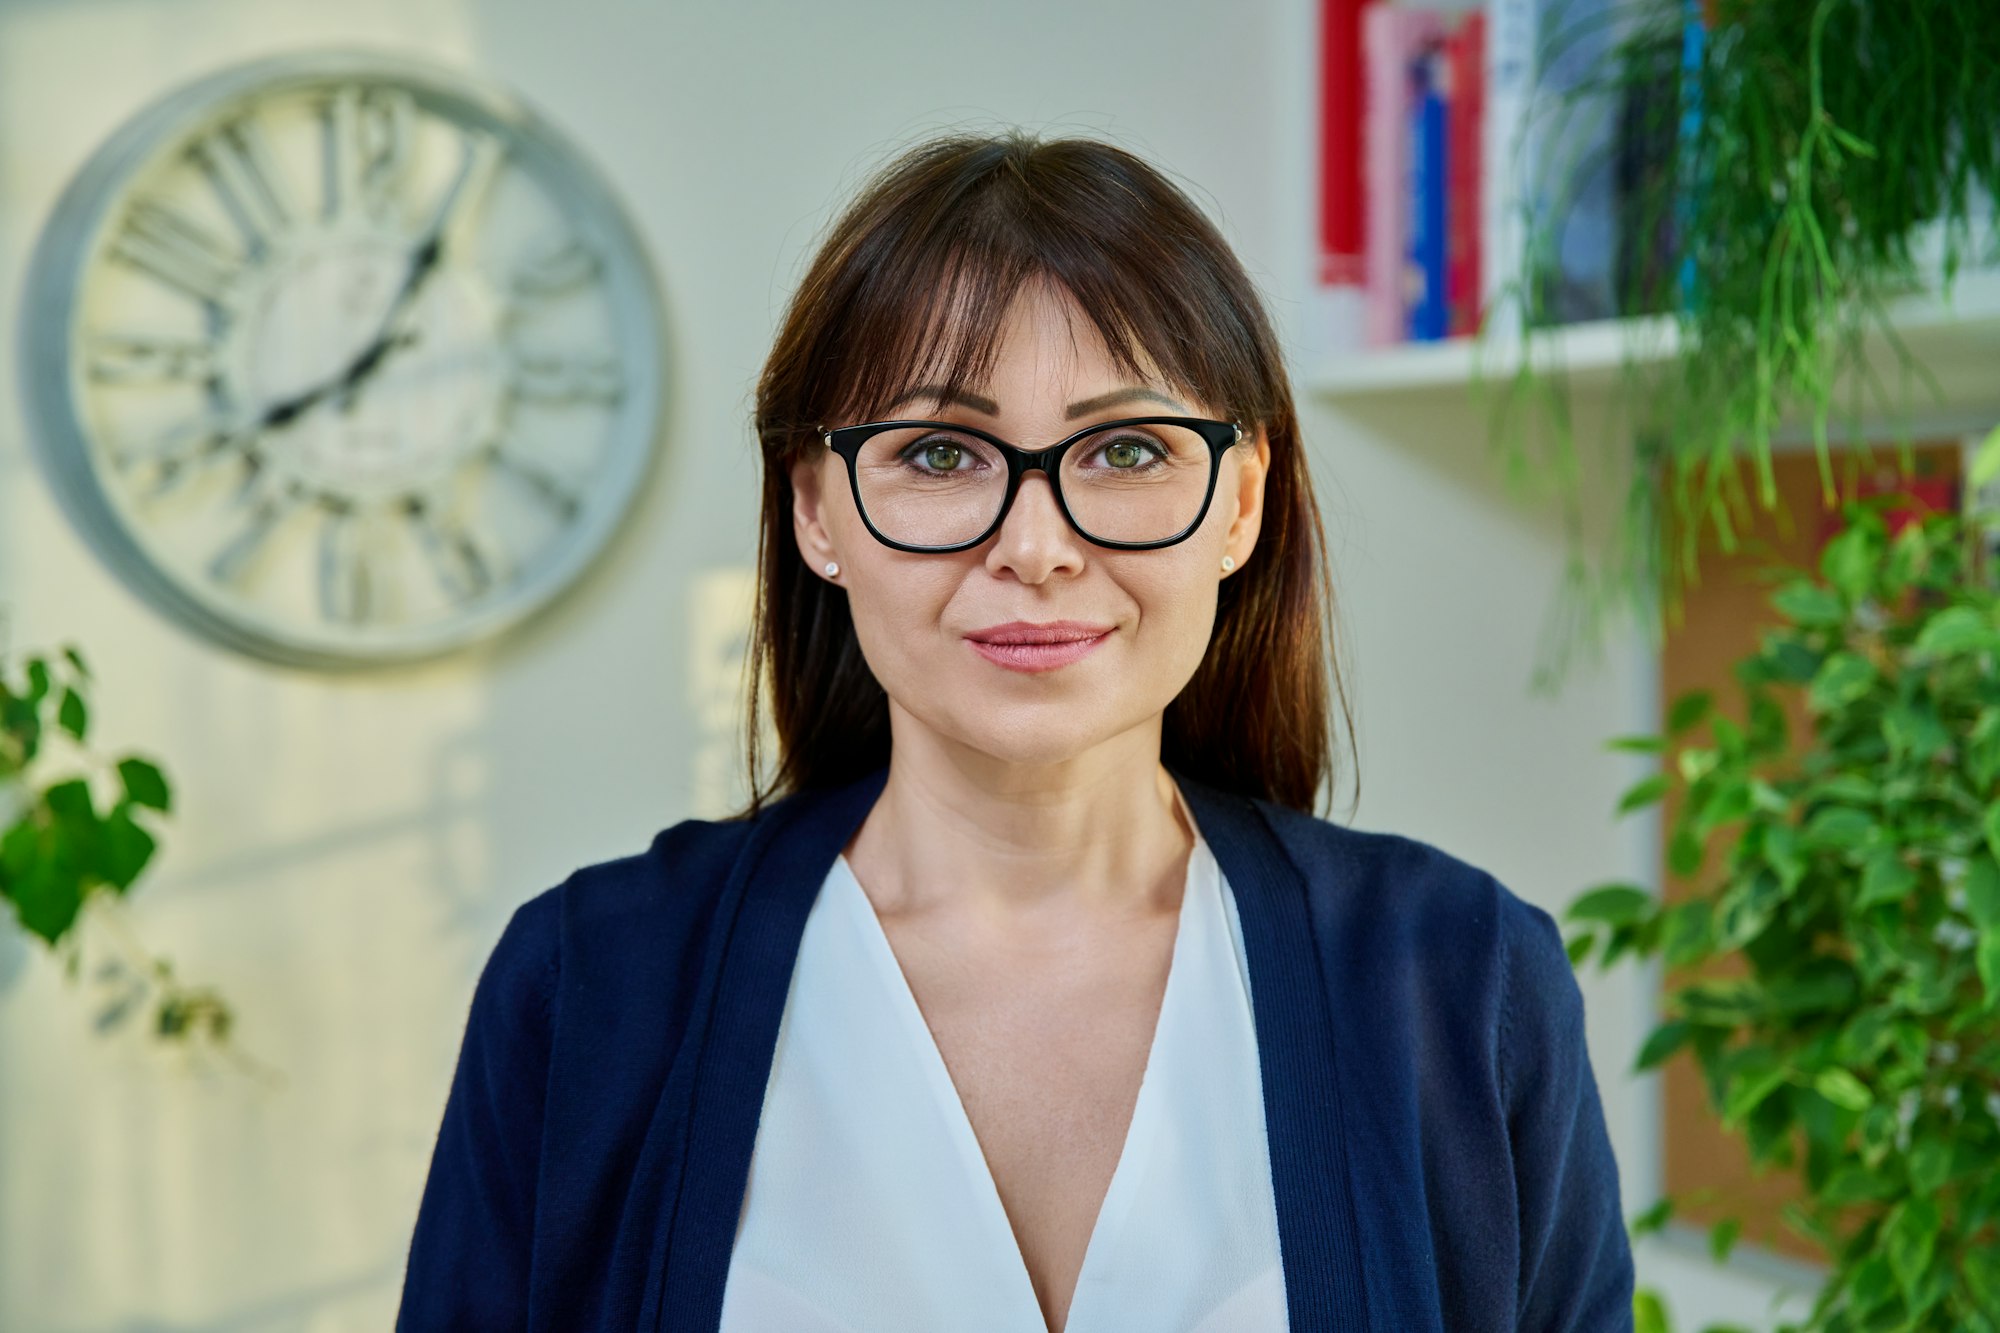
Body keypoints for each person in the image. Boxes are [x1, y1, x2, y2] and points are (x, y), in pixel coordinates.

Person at [397, 129, 1635, 1333]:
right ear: (816, 510)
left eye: (1127, 449)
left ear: (1240, 503)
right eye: (939, 452)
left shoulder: (1461, 982)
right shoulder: (589, 987)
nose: (1034, 548)